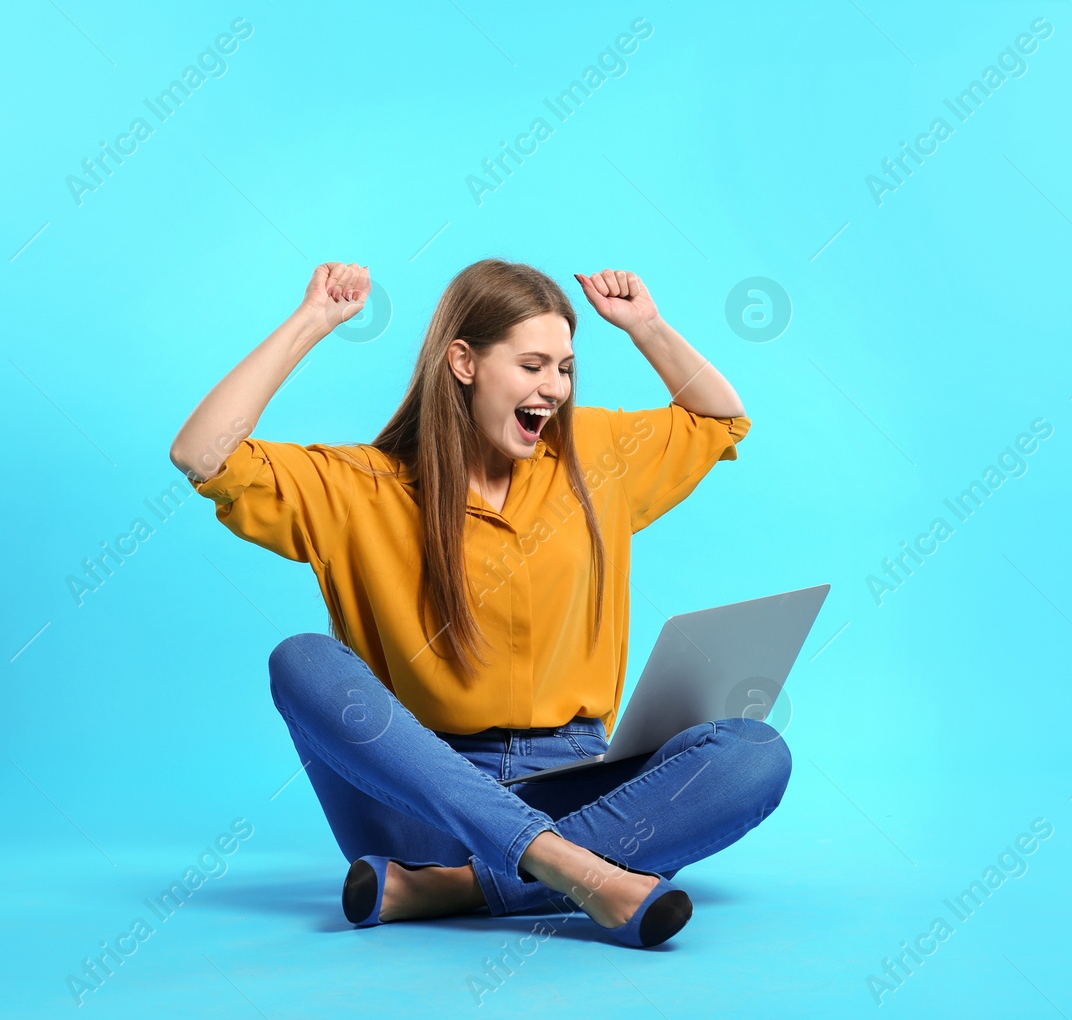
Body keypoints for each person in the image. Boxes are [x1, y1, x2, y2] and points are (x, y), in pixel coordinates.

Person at [169, 259, 791, 948]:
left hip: (577, 785)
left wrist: (645, 327)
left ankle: (456, 888)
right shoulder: (360, 487)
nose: (553, 388)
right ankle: (566, 866)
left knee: (754, 754)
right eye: (532, 366)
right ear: (462, 362)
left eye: (564, 367)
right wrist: (311, 321)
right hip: (421, 805)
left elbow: (720, 418)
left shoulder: (596, 457)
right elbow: (202, 453)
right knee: (301, 660)